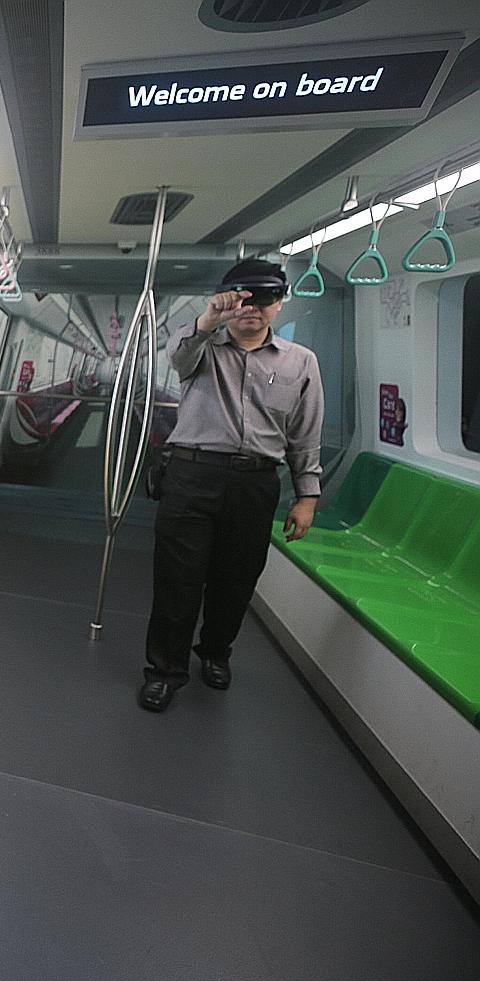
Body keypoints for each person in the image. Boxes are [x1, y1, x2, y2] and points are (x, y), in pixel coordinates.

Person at [139, 259, 324, 712]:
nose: (252, 309)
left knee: (236, 581)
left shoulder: (301, 363)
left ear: (280, 304)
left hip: (255, 482)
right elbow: (178, 355)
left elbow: (305, 431)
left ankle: (216, 651)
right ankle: (165, 671)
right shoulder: (202, 346)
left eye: (264, 300)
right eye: (243, 299)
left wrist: (307, 495)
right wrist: (209, 319)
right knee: (177, 582)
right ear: (227, 299)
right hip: (191, 476)